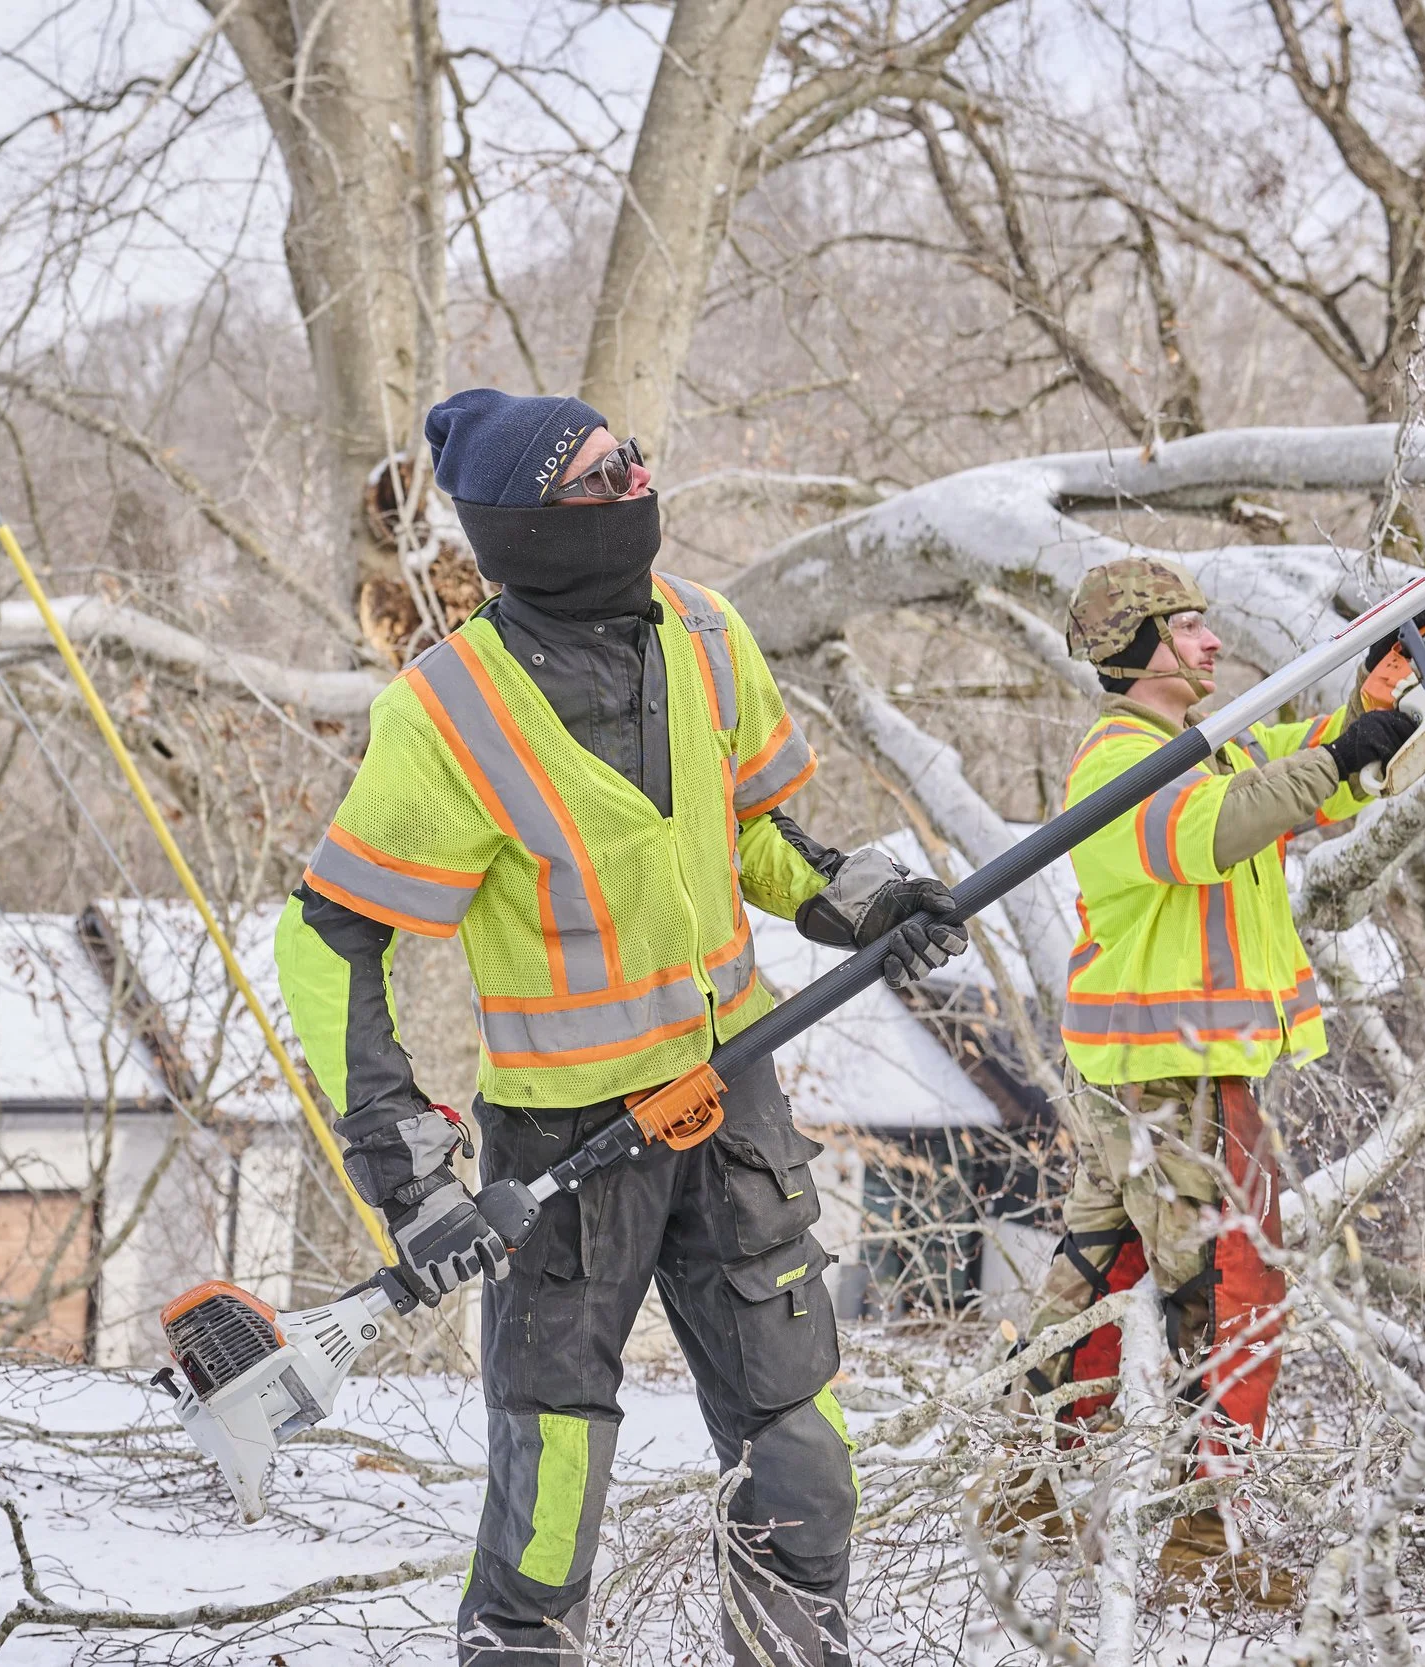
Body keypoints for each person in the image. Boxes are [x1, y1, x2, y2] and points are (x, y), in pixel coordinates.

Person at [272, 389, 969, 1665]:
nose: (636, 483)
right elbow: (324, 934)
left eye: (632, 459)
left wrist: (856, 897)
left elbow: (751, 828)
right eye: (599, 476)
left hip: (734, 1094)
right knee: (553, 1462)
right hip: (565, 1143)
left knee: (799, 1435)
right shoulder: (448, 714)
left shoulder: (708, 632)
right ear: (528, 527)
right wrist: (402, 1162)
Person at [1006, 556, 1415, 1602]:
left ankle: (1025, 1490)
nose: (1211, 640)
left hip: (1155, 1076)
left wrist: (1370, 709)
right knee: (1237, 1289)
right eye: (1188, 625)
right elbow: (1215, 827)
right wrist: (1334, 760)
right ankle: (1203, 1549)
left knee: (1095, 1278)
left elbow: (1298, 770)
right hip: (1171, 1076)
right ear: (1138, 643)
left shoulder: (1206, 745)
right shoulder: (1118, 762)